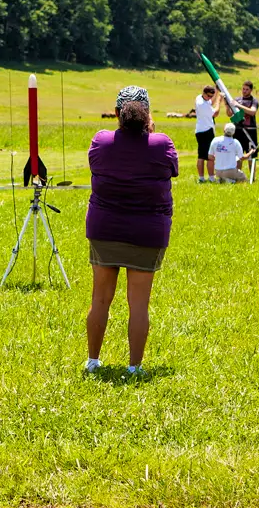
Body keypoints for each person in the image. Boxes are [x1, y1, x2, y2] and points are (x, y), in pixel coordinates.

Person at [84, 86, 178, 377]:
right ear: (148, 115)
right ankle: (134, 366)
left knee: (100, 298)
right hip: (146, 233)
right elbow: (171, 168)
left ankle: (93, 361)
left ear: (117, 114)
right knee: (138, 304)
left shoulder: (101, 141)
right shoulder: (161, 144)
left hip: (105, 228)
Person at [233, 80, 259, 180]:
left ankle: (252, 177)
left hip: (250, 131)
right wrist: (227, 105)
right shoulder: (237, 99)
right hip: (238, 130)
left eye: (247, 89)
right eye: (243, 89)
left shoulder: (254, 101)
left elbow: (252, 112)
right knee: (237, 154)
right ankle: (237, 177)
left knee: (251, 154)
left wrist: (238, 106)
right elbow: (230, 114)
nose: (244, 91)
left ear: (251, 90)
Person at [194, 85, 220, 183]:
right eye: (208, 96)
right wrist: (219, 100)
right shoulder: (203, 105)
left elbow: (210, 102)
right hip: (206, 131)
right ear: (204, 93)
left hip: (200, 130)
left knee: (201, 155)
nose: (210, 98)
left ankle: (201, 178)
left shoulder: (200, 98)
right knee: (210, 156)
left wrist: (216, 92)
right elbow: (215, 113)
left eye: (211, 96)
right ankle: (211, 178)